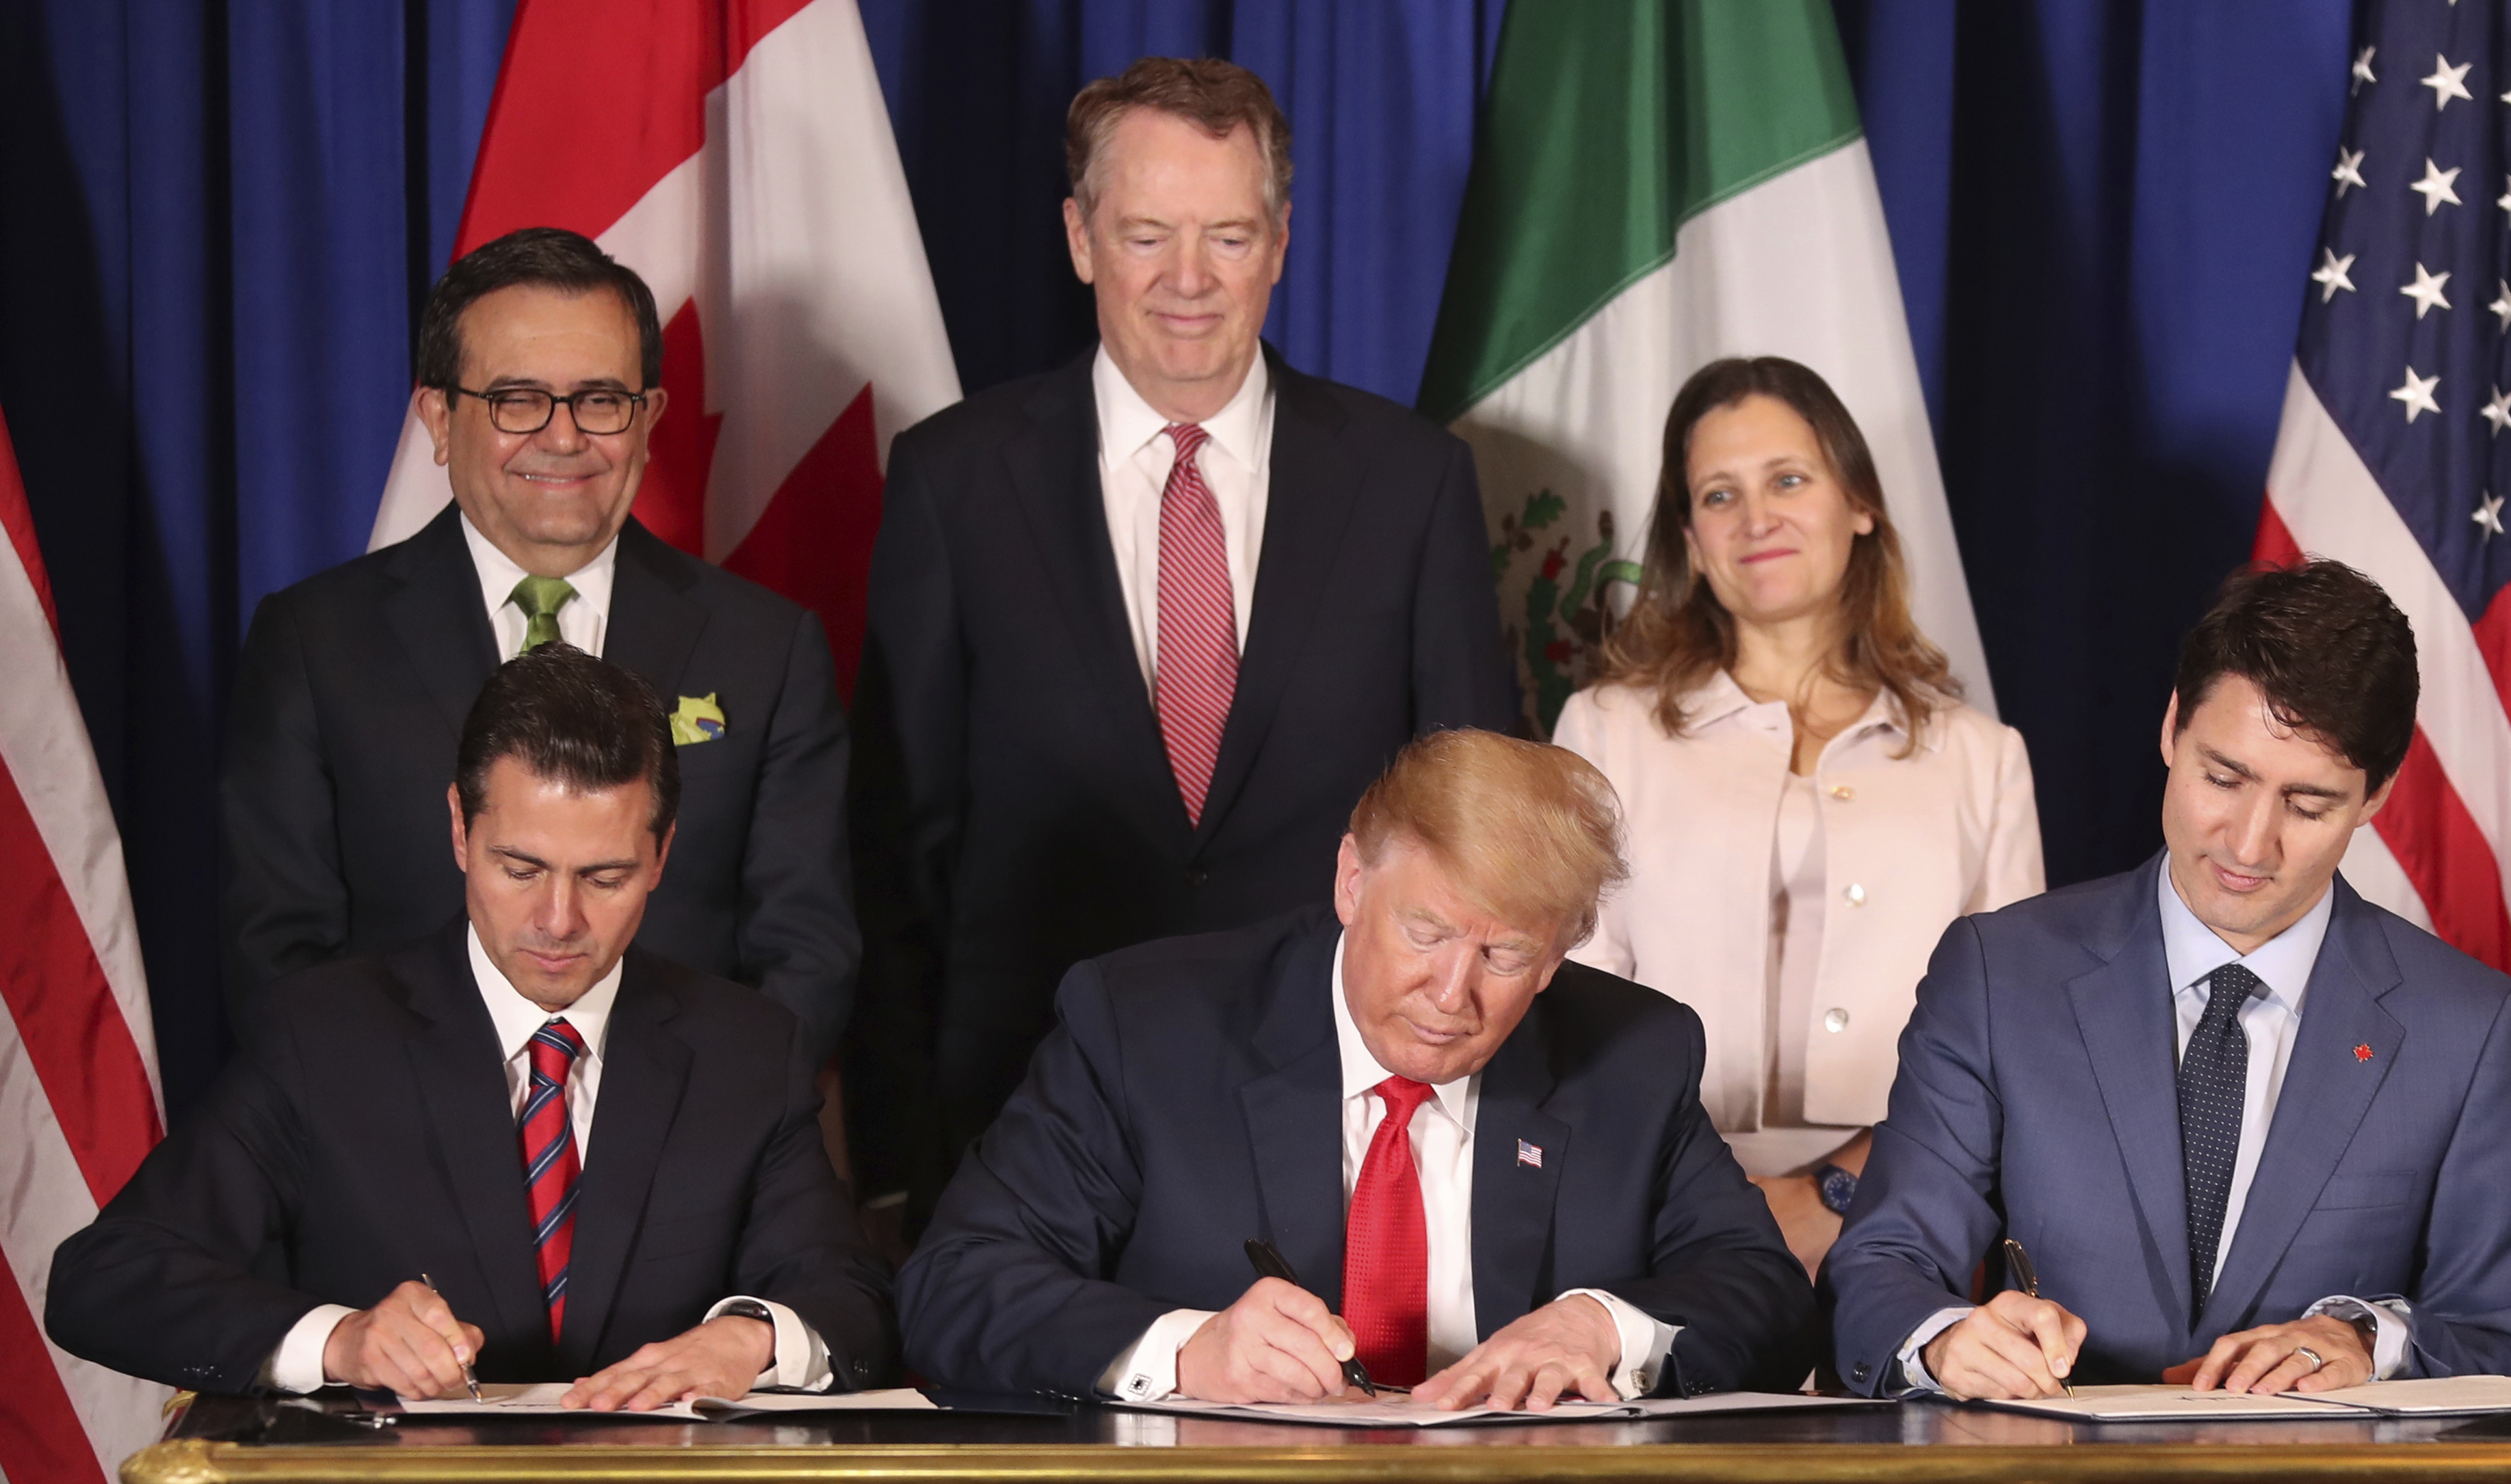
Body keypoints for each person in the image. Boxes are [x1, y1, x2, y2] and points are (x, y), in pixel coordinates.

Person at [1763, 561, 2511, 1484]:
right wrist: (1936, 1335)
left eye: (2306, 802)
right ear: (2166, 730)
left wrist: (2370, 1344)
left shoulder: (2465, 1028)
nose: (2246, 844)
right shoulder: (1999, 972)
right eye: (2219, 776)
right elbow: (1884, 1260)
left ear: (2375, 793)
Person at [899, 730, 1815, 1484]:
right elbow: (955, 1281)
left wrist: (1603, 1322)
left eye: (1506, 954)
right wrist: (1186, 1350)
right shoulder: (1144, 1023)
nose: (1450, 991)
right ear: (1350, 878)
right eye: (1422, 931)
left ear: (1564, 947)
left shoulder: (1630, 1051)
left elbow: (1761, 1292)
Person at [850, 56, 1519, 1228]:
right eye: (1146, 234)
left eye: (1224, 235)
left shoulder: (1410, 482)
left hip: (1337, 1119)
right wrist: (906, 1156)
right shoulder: (954, 478)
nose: (1187, 280)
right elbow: (899, 851)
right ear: (1077, 236)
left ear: (1279, 239)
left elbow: (1475, 831)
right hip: (1021, 1122)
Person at [52, 644, 895, 1408]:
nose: (557, 920)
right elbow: (107, 1277)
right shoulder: (322, 1036)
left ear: (662, 856)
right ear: (460, 828)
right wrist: (339, 1339)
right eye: (520, 868)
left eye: (604, 876)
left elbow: (852, 1297)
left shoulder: (746, 1049)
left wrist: (751, 1338)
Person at [222, 227, 858, 1063]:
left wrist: (688, 1147)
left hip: (689, 1163)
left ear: (648, 417)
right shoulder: (316, 645)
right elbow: (279, 965)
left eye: (600, 399)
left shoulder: (767, 649)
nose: (563, 438)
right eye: (517, 400)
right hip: (393, 1167)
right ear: (440, 419)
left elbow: (806, 962)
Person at [1555, 356, 2042, 1277]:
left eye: (1786, 479)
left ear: (1858, 503)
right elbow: (1573, 1009)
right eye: (1717, 495)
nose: (1756, 518)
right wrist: (1713, 1196)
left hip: (1908, 1218)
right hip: (1652, 1208)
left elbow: (2004, 1043)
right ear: (1691, 541)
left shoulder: (1981, 758)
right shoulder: (1604, 730)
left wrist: (1834, 1191)